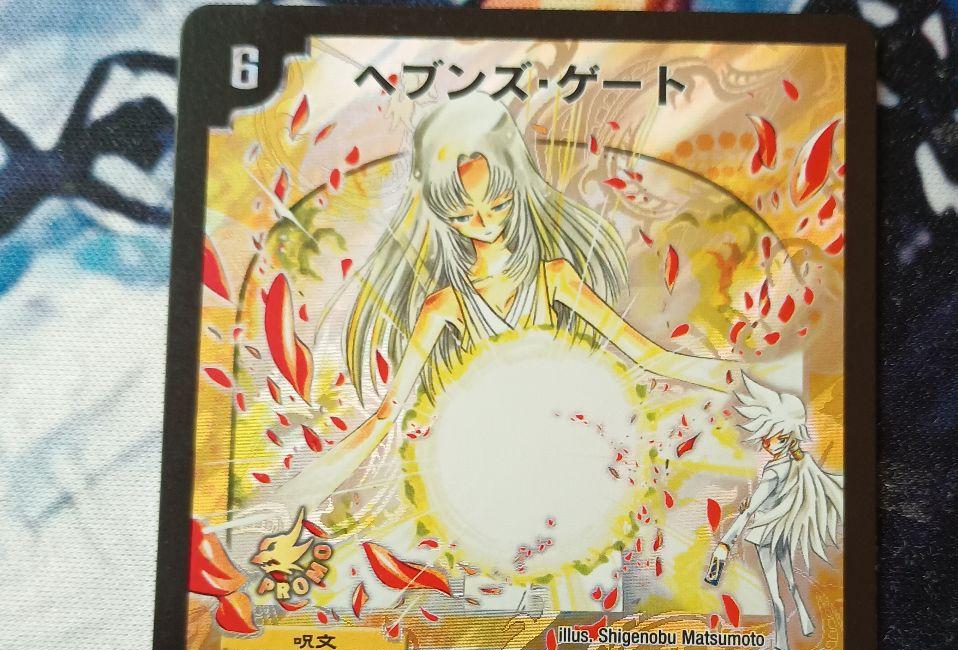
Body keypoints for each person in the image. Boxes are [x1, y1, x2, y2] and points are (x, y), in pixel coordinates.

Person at [273, 94, 730, 520]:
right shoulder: (445, 305)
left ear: (516, 188)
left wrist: (748, 380)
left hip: (570, 452)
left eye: (497, 204)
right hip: (486, 467)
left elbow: (651, 356)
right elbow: (384, 415)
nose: (484, 223)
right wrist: (295, 498)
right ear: (441, 213)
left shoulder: (555, 277)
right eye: (463, 214)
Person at [706, 376, 843, 650]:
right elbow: (766, 500)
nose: (768, 442)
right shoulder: (796, 463)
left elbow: (750, 511)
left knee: (774, 590)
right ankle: (806, 623)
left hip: (767, 532)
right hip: (780, 528)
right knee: (790, 581)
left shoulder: (773, 471)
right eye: (768, 435)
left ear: (788, 436)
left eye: (776, 436)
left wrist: (726, 543)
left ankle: (780, 642)